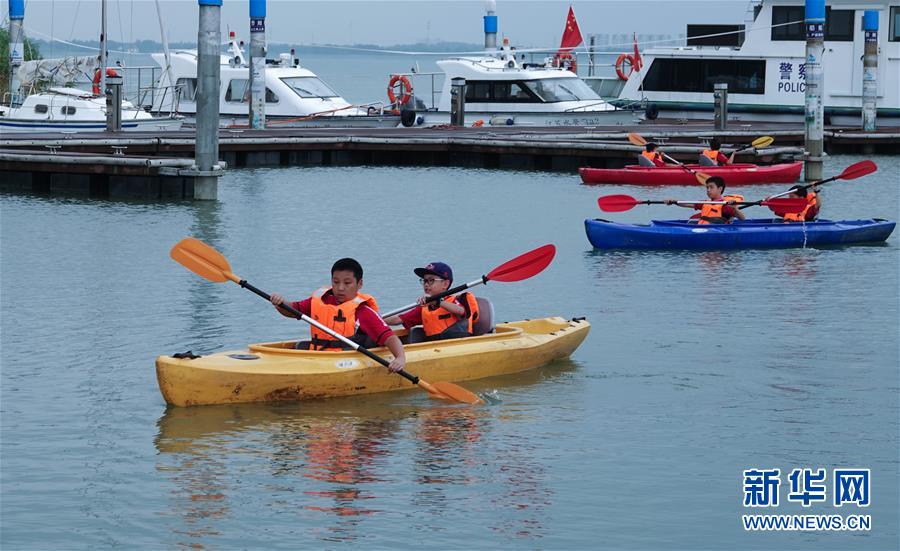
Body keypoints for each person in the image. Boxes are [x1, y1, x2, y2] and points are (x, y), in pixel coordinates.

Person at [269, 258, 406, 372]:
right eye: (336, 282)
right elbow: (292, 310)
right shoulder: (320, 300)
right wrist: (280, 303)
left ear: (359, 284)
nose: (340, 288)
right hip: (318, 357)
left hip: (343, 362)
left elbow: (390, 338)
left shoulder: (363, 311)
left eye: (347, 283)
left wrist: (400, 358)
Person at [383, 262, 480, 344]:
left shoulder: (455, 300)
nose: (426, 284)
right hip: (435, 348)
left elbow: (461, 312)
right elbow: (398, 319)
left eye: (431, 280)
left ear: (445, 284)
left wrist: (438, 302)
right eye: (424, 281)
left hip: (458, 345)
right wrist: (375, 318)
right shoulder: (425, 308)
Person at [666, 176, 746, 224]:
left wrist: (735, 208)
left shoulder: (725, 205)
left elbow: (742, 218)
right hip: (703, 228)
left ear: (720, 189)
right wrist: (675, 202)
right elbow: (687, 204)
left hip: (717, 231)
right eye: (707, 187)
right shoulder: (705, 203)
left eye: (711, 187)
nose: (708, 190)